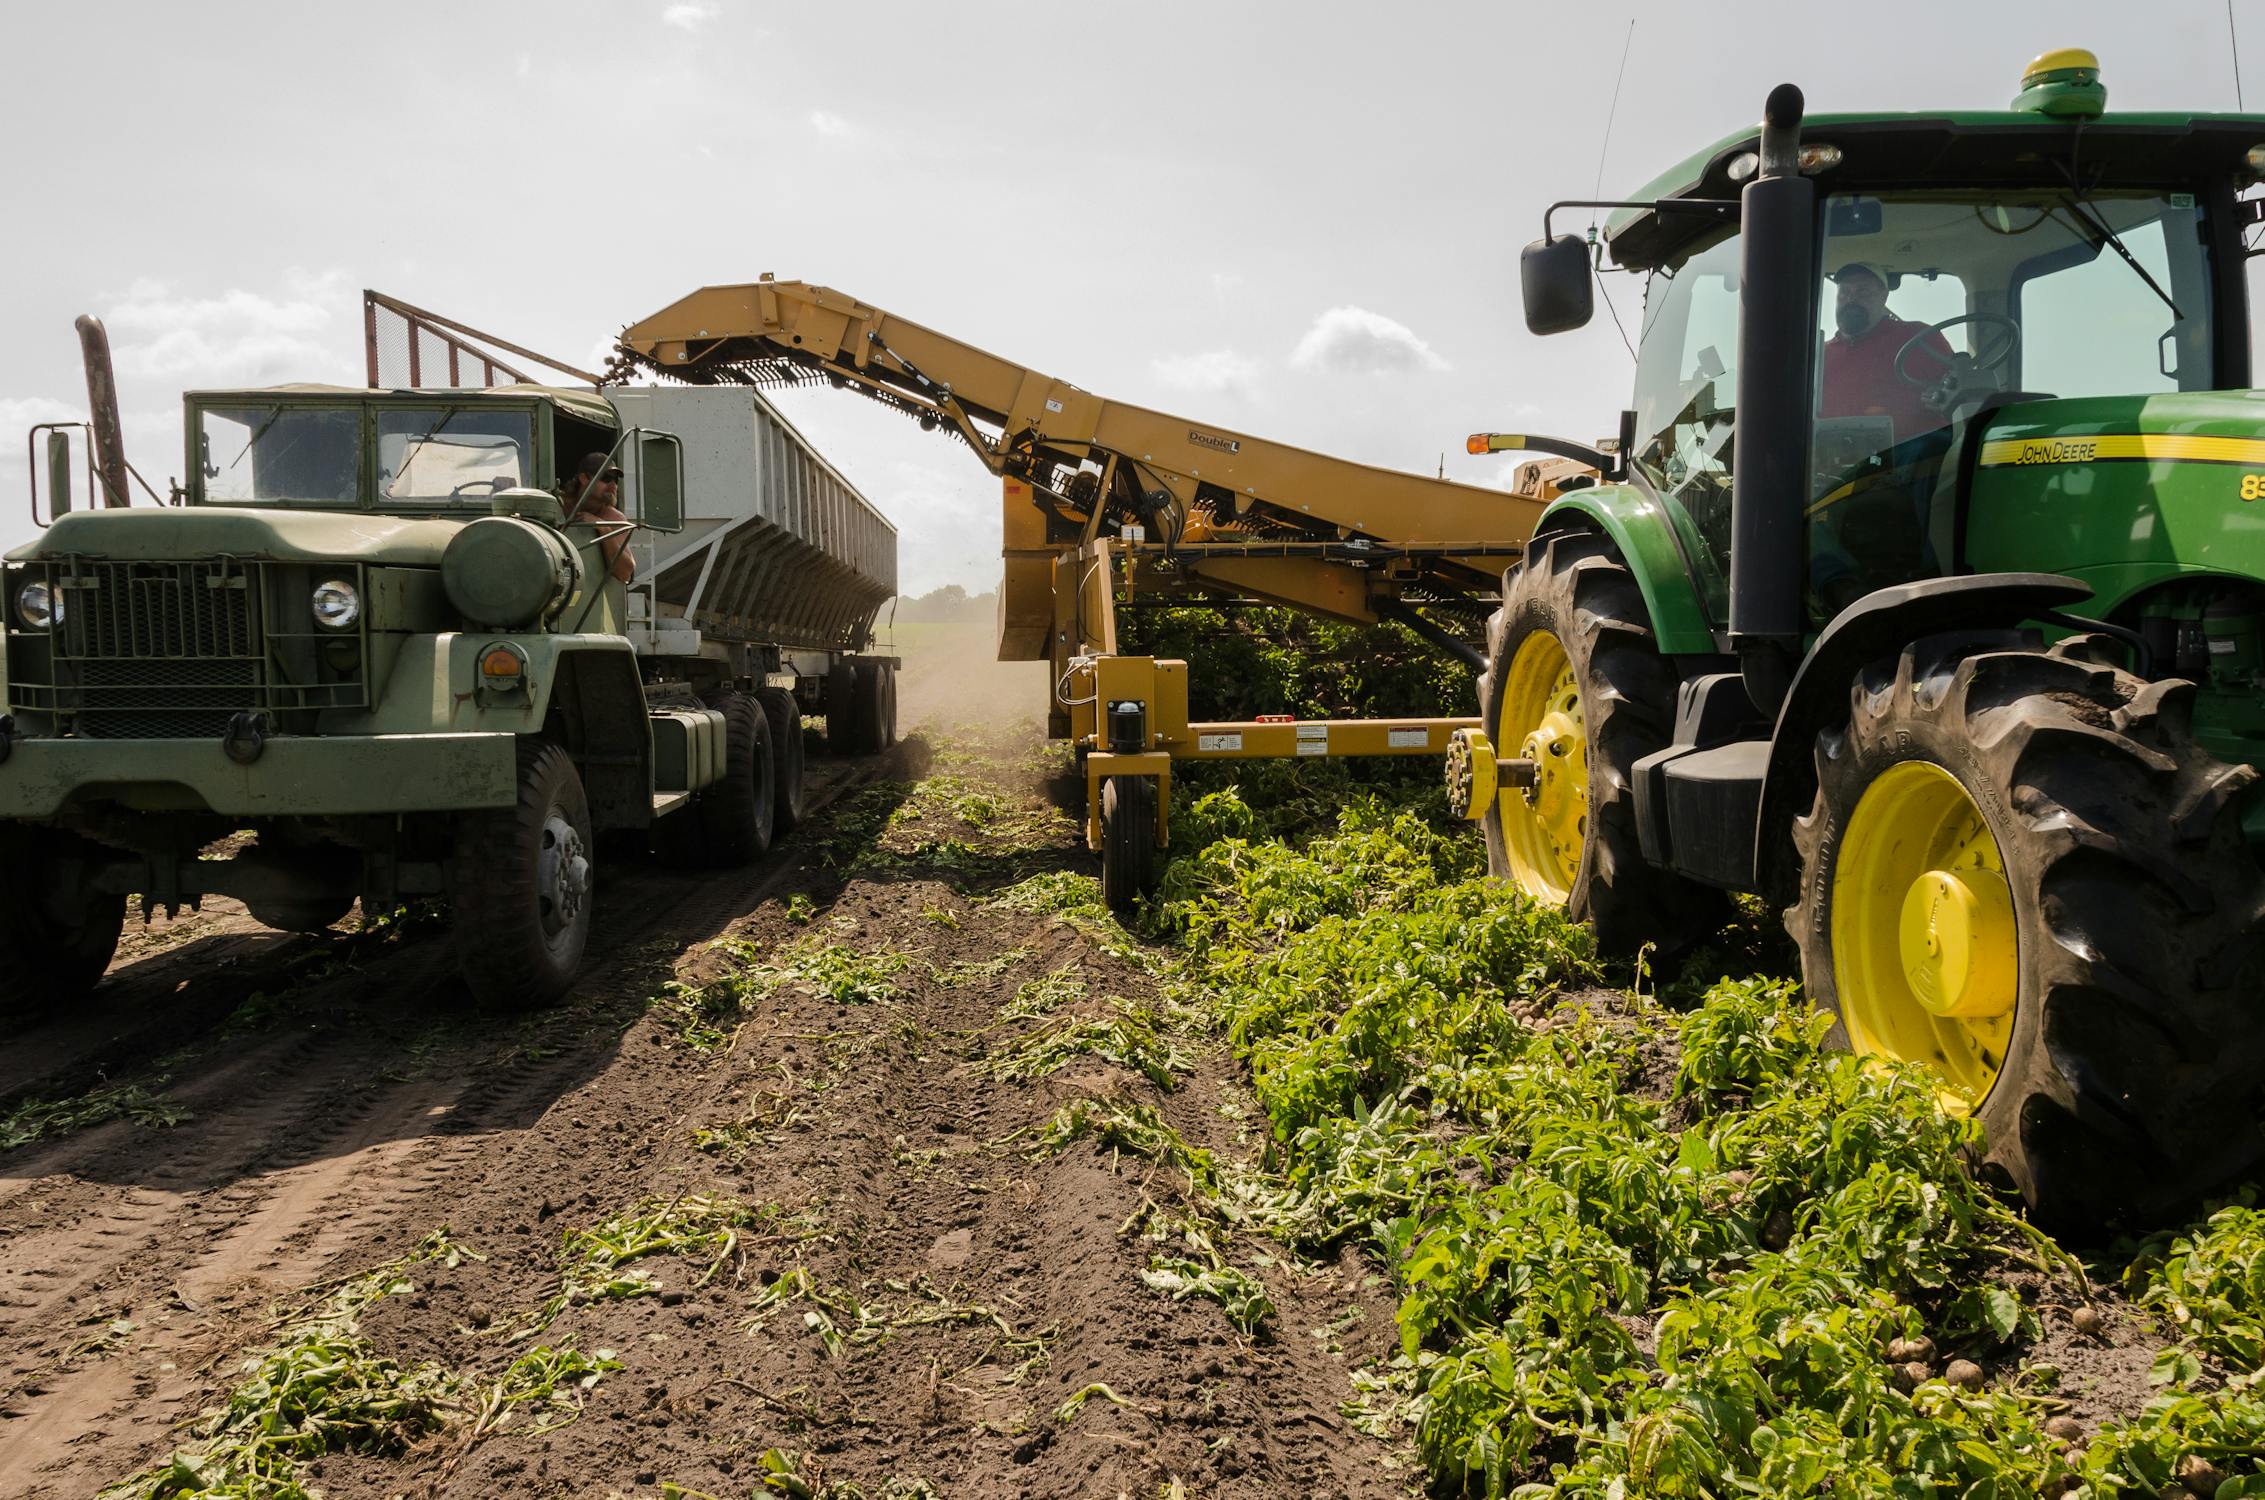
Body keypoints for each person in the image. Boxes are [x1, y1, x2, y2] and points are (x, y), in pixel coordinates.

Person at [1818, 262, 1956, 441]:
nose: (1851, 299)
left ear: (1884, 297)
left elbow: (1958, 393)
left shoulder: (1920, 337)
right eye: (1844, 292)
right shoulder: (1820, 356)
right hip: (1834, 459)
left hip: (1914, 457)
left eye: (1863, 292)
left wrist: (1942, 398)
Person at [561, 451, 636, 583]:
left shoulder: (614, 518)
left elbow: (625, 573)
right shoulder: (559, 505)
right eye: (606, 478)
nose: (613, 486)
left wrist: (604, 528)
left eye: (616, 480)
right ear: (584, 478)